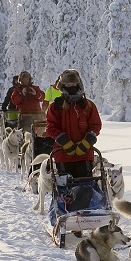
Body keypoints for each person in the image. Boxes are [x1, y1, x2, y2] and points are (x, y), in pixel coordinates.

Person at [45, 70, 103, 209]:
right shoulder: (55, 107)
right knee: (65, 189)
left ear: (79, 84)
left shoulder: (88, 106)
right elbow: (51, 127)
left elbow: (96, 125)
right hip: (63, 155)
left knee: (85, 187)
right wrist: (65, 142)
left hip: (84, 154)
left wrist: (87, 141)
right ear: (63, 86)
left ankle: (86, 214)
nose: (71, 86)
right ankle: (65, 213)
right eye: (68, 83)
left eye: (73, 83)